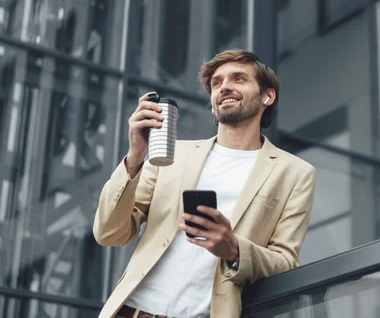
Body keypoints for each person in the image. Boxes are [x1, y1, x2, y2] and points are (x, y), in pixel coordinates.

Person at [93, 49, 316, 318]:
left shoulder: (295, 172)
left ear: (267, 96)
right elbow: (109, 233)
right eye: (217, 83)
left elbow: (285, 262)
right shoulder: (172, 156)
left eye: (238, 79)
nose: (225, 87)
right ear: (212, 101)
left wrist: (233, 249)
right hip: (133, 311)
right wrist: (136, 156)